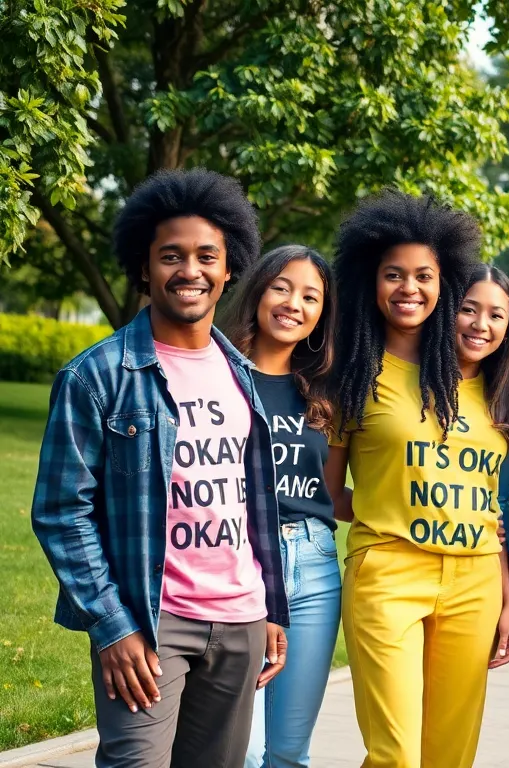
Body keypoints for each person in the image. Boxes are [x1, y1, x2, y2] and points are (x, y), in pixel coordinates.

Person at [30, 169, 288, 767]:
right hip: (151, 618)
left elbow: (252, 504)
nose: (189, 270)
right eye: (171, 256)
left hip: (239, 617)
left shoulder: (241, 375)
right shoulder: (96, 376)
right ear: (144, 268)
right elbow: (61, 512)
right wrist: (112, 626)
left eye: (206, 256)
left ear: (229, 269)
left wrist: (270, 608)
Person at [325, 193, 509, 768]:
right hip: (388, 571)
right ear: (372, 280)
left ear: (446, 285)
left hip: (475, 580)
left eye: (424, 276)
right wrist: (395, 511)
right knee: (397, 756)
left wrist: (506, 597)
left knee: (449, 756)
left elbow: (489, 506)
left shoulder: (488, 379)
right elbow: (332, 492)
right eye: (394, 274)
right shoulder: (353, 370)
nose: (409, 288)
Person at [221, 245, 340, 768]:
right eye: (282, 288)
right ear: (258, 293)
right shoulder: (218, 375)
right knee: (238, 749)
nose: (294, 303)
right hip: (238, 562)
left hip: (314, 568)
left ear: (321, 315)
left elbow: (333, 495)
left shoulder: (325, 392)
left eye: (310, 296)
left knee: (289, 752)